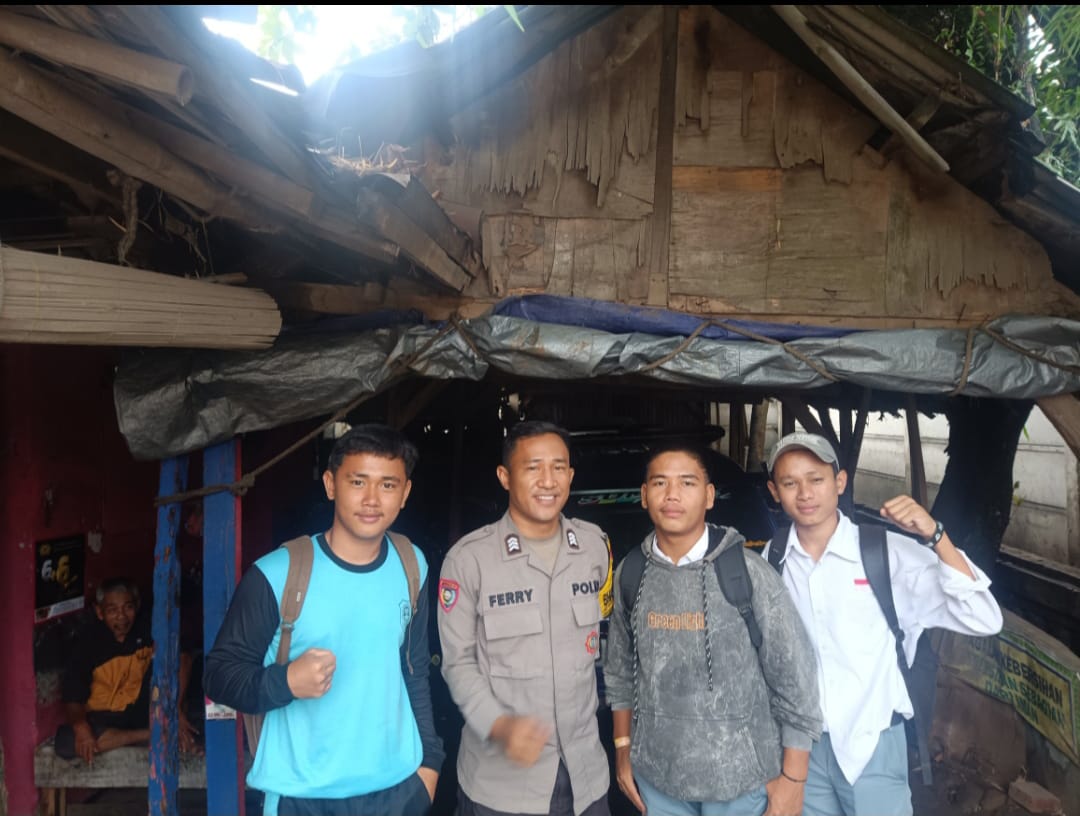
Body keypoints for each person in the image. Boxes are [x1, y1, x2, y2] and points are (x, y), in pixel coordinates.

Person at [203, 423, 444, 816]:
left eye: (387, 485)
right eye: (357, 482)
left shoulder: (411, 564)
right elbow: (218, 676)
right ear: (331, 485)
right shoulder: (277, 574)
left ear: (405, 494)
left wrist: (429, 762)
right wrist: (286, 682)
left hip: (398, 788)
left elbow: (414, 669)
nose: (371, 499)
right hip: (302, 797)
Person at [762, 431, 1004, 816]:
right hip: (802, 749)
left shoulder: (883, 552)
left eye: (816, 479)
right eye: (790, 483)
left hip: (871, 745)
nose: (805, 493)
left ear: (840, 482)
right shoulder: (773, 558)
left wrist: (936, 536)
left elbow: (984, 617)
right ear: (775, 492)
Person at [604, 442, 823, 816]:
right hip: (659, 780)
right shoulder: (632, 573)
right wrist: (623, 750)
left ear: (708, 496)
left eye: (687, 483)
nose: (672, 494)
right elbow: (620, 672)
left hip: (742, 782)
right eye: (660, 483)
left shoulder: (747, 572)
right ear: (643, 495)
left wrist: (794, 778)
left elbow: (795, 679)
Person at [437, 420, 612, 816]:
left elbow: (605, 637)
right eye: (533, 468)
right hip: (502, 787)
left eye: (558, 467)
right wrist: (499, 726)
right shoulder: (469, 560)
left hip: (587, 778)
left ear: (570, 475)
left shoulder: (594, 547)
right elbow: (457, 663)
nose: (548, 481)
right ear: (504, 476)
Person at [57, 577, 199, 762]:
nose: (121, 616)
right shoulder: (87, 644)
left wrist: (175, 709)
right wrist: (81, 727)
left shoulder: (148, 629)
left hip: (140, 711)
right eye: (112, 610)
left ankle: (159, 730)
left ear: (137, 606)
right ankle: (152, 734)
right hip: (103, 719)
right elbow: (72, 698)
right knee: (66, 741)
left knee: (173, 660)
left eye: (128, 607)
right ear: (99, 612)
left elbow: (182, 657)